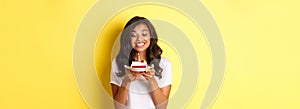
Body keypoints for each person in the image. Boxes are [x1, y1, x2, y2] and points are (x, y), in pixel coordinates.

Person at [110, 16, 172, 109]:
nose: (139, 39)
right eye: (133, 35)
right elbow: (118, 107)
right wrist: (126, 81)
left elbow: (162, 107)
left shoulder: (163, 64)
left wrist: (152, 81)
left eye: (144, 34)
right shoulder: (118, 63)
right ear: (128, 38)